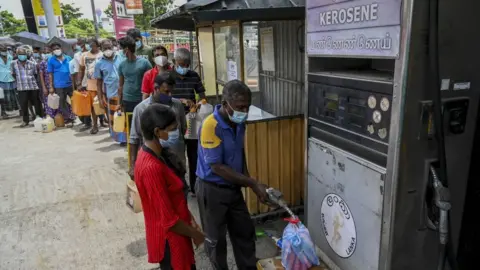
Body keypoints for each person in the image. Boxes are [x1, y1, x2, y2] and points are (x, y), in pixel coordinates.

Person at [196, 80, 273, 270]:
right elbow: (218, 167)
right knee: (216, 240)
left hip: (232, 188)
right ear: (225, 104)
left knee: (244, 233)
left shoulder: (239, 123)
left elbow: (239, 154)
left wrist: (251, 183)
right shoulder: (210, 125)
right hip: (211, 190)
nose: (244, 112)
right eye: (240, 107)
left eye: (247, 107)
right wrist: (252, 183)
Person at [134, 103, 204, 270]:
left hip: (180, 231)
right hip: (171, 240)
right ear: (158, 132)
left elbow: (175, 197)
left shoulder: (159, 156)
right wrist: (196, 234)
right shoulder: (151, 167)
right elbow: (168, 220)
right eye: (172, 129)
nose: (175, 133)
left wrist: (191, 220)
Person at [129, 72, 186, 179]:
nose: (170, 95)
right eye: (166, 92)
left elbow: (182, 129)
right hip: (153, 162)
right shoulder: (141, 109)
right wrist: (133, 165)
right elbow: (134, 139)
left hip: (176, 163)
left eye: (172, 92)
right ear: (156, 88)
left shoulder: (177, 106)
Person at [172, 47, 207, 195]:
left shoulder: (194, 76)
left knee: (193, 154)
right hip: (174, 121)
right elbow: (163, 98)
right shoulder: (168, 77)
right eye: (181, 64)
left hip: (192, 119)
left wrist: (200, 103)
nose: (184, 67)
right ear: (174, 62)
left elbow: (203, 96)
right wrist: (181, 100)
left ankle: (194, 187)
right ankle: (178, 185)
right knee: (176, 154)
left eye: (187, 64)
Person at [94, 39, 127, 144]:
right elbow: (99, 83)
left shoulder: (121, 58)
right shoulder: (99, 63)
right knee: (115, 118)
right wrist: (100, 98)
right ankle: (120, 139)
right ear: (101, 49)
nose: (108, 50)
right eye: (105, 48)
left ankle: (128, 138)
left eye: (109, 47)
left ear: (113, 47)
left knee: (126, 117)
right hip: (111, 94)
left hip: (125, 93)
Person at [118, 36, 152, 131]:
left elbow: (151, 82)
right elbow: (120, 85)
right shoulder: (122, 65)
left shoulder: (144, 63)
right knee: (130, 126)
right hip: (127, 100)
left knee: (144, 126)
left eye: (122, 48)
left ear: (127, 49)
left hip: (142, 99)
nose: (121, 51)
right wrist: (119, 102)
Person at [79, 38, 106, 134]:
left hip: (103, 85)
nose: (92, 47)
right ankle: (95, 125)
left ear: (98, 45)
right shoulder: (84, 55)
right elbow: (81, 69)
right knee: (93, 106)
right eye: (90, 45)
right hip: (90, 85)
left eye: (94, 45)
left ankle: (104, 121)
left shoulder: (103, 54)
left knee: (104, 104)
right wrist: (79, 82)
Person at [10, 47, 42, 127]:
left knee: (37, 103)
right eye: (20, 54)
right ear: (17, 55)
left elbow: (35, 74)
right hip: (21, 87)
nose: (22, 56)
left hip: (33, 86)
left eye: (23, 54)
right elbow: (13, 74)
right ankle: (25, 120)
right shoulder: (13, 63)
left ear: (26, 55)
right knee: (23, 104)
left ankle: (39, 117)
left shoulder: (32, 63)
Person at [47, 42, 75, 127]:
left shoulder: (68, 58)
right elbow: (50, 74)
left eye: (57, 48)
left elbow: (73, 70)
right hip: (59, 85)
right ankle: (69, 117)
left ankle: (77, 115)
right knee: (62, 102)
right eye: (54, 49)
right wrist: (51, 86)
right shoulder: (51, 60)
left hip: (70, 84)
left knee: (74, 100)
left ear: (61, 48)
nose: (56, 50)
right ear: (52, 51)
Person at [0, 45, 19, 118]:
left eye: (5, 49)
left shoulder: (10, 56)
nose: (4, 51)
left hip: (12, 77)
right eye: (2, 49)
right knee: (3, 97)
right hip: (1, 79)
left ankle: (20, 110)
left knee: (15, 95)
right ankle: (3, 112)